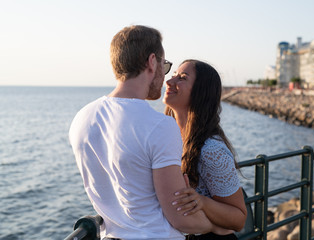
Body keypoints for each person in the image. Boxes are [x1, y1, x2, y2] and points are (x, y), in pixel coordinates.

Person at [69, 26, 215, 240]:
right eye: (164, 66)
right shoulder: (160, 126)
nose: (164, 77)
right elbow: (181, 219)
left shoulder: (82, 118)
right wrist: (214, 225)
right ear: (151, 61)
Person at [163, 59, 248, 240]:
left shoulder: (211, 150)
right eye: (174, 75)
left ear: (201, 92)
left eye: (182, 78)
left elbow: (239, 218)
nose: (169, 82)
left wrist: (201, 201)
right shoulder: (168, 137)